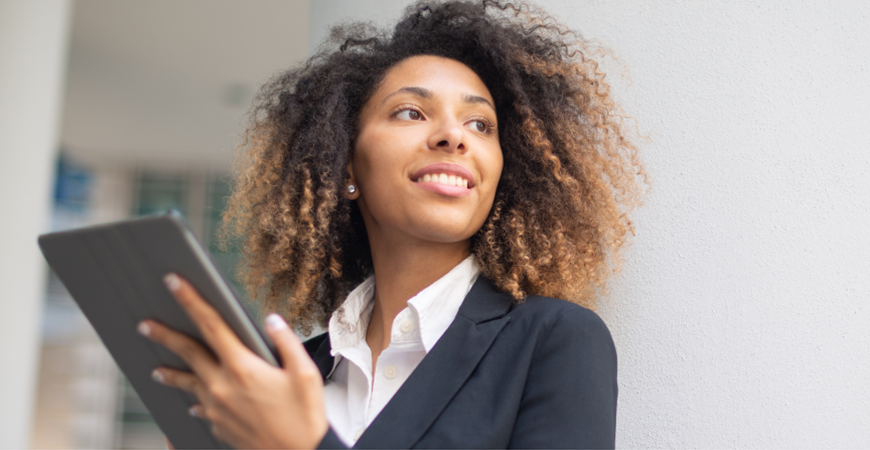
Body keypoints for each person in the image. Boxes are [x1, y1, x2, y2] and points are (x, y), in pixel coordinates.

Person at [137, 0, 646, 447]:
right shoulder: (291, 376)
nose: (453, 136)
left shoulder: (552, 340)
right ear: (346, 167)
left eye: (480, 124)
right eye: (410, 113)